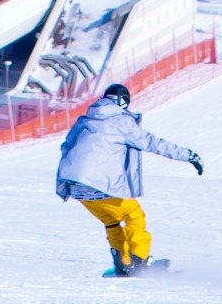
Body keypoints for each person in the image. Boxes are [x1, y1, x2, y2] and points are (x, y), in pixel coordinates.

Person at [55, 81, 202, 276]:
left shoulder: (84, 120)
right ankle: (139, 262)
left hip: (75, 186)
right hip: (98, 185)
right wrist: (188, 155)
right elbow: (151, 143)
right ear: (123, 102)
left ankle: (123, 264)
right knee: (134, 215)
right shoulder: (121, 121)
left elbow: (66, 147)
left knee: (112, 221)